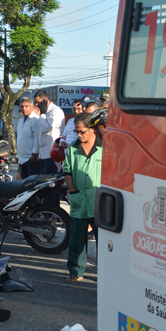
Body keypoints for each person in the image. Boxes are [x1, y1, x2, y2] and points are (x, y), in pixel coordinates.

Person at [63, 112, 101, 283]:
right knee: (77, 238)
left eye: (82, 131)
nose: (78, 135)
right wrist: (73, 192)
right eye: (76, 132)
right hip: (79, 199)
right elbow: (67, 172)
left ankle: (108, 273)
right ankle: (75, 271)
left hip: (100, 202)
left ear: (92, 129)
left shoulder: (105, 147)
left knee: (104, 240)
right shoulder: (72, 148)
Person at [34, 90, 65, 176]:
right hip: (42, 155)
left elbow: (46, 128)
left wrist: (42, 114)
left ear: (45, 100)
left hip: (52, 154)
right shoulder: (43, 112)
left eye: (38, 102)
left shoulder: (56, 111)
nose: (36, 104)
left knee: (51, 184)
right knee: (43, 184)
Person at [16, 97, 41, 179]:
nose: (24, 109)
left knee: (32, 186)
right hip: (22, 159)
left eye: (26, 106)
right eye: (22, 106)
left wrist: (33, 155)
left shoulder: (35, 120)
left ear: (32, 107)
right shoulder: (21, 119)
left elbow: (37, 139)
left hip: (31, 160)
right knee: (24, 185)